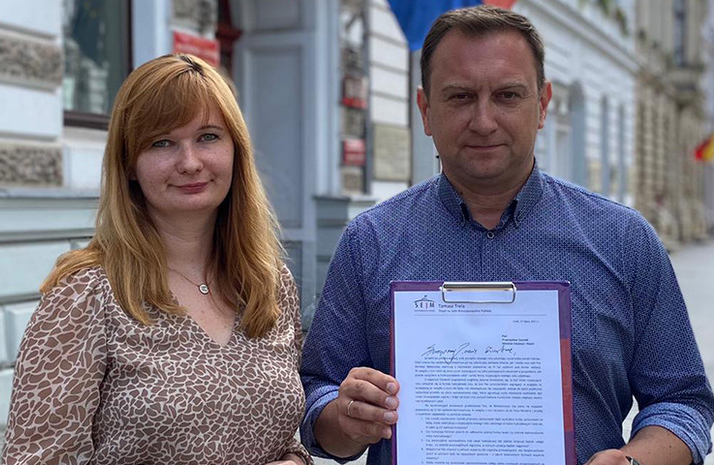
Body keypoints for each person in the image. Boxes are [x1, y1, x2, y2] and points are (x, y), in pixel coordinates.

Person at [300, 5, 714, 465]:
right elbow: (317, 399)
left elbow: (683, 402)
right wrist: (345, 418)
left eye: (507, 95)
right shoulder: (370, 242)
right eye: (460, 97)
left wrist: (633, 461)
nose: (483, 121)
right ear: (426, 110)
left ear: (543, 105)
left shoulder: (623, 240)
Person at [2, 53, 312, 465]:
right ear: (129, 164)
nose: (190, 163)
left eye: (208, 137)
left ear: (236, 150)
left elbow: (283, 439)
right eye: (161, 142)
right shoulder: (86, 294)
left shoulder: (269, 284)